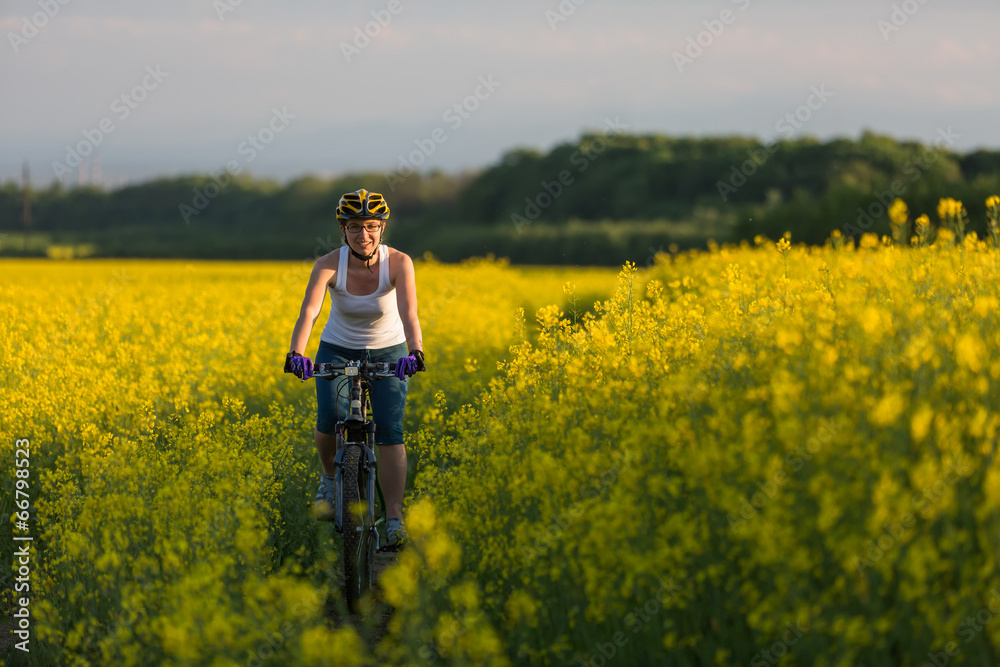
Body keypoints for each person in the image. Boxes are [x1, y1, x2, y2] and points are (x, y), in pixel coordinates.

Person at [284, 188, 424, 547]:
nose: (364, 235)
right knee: (330, 416)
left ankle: (394, 517)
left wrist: (416, 351)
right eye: (355, 227)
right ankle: (330, 478)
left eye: (372, 226)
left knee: (391, 430)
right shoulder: (329, 264)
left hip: (389, 350)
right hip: (337, 348)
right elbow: (309, 312)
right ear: (342, 230)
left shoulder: (399, 263)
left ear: (382, 228)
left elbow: (409, 313)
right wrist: (296, 353)